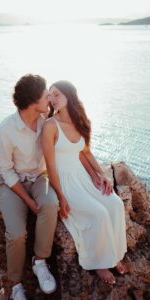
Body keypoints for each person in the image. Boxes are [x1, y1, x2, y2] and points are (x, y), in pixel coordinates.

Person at [42, 80, 127, 285]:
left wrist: (101, 174)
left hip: (82, 176)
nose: (52, 100)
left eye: (57, 95)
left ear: (69, 96)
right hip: (64, 181)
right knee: (99, 213)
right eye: (50, 95)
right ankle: (99, 263)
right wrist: (61, 196)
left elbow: (85, 151)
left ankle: (114, 256)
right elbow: (50, 166)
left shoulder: (79, 120)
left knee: (115, 205)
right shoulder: (50, 126)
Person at [0, 74, 59, 300]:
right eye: (45, 95)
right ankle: (16, 284)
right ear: (33, 101)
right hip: (12, 183)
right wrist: (29, 201)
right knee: (17, 234)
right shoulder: (3, 131)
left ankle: (40, 261)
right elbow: (7, 172)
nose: (49, 97)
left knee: (50, 204)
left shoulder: (46, 121)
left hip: (39, 177)